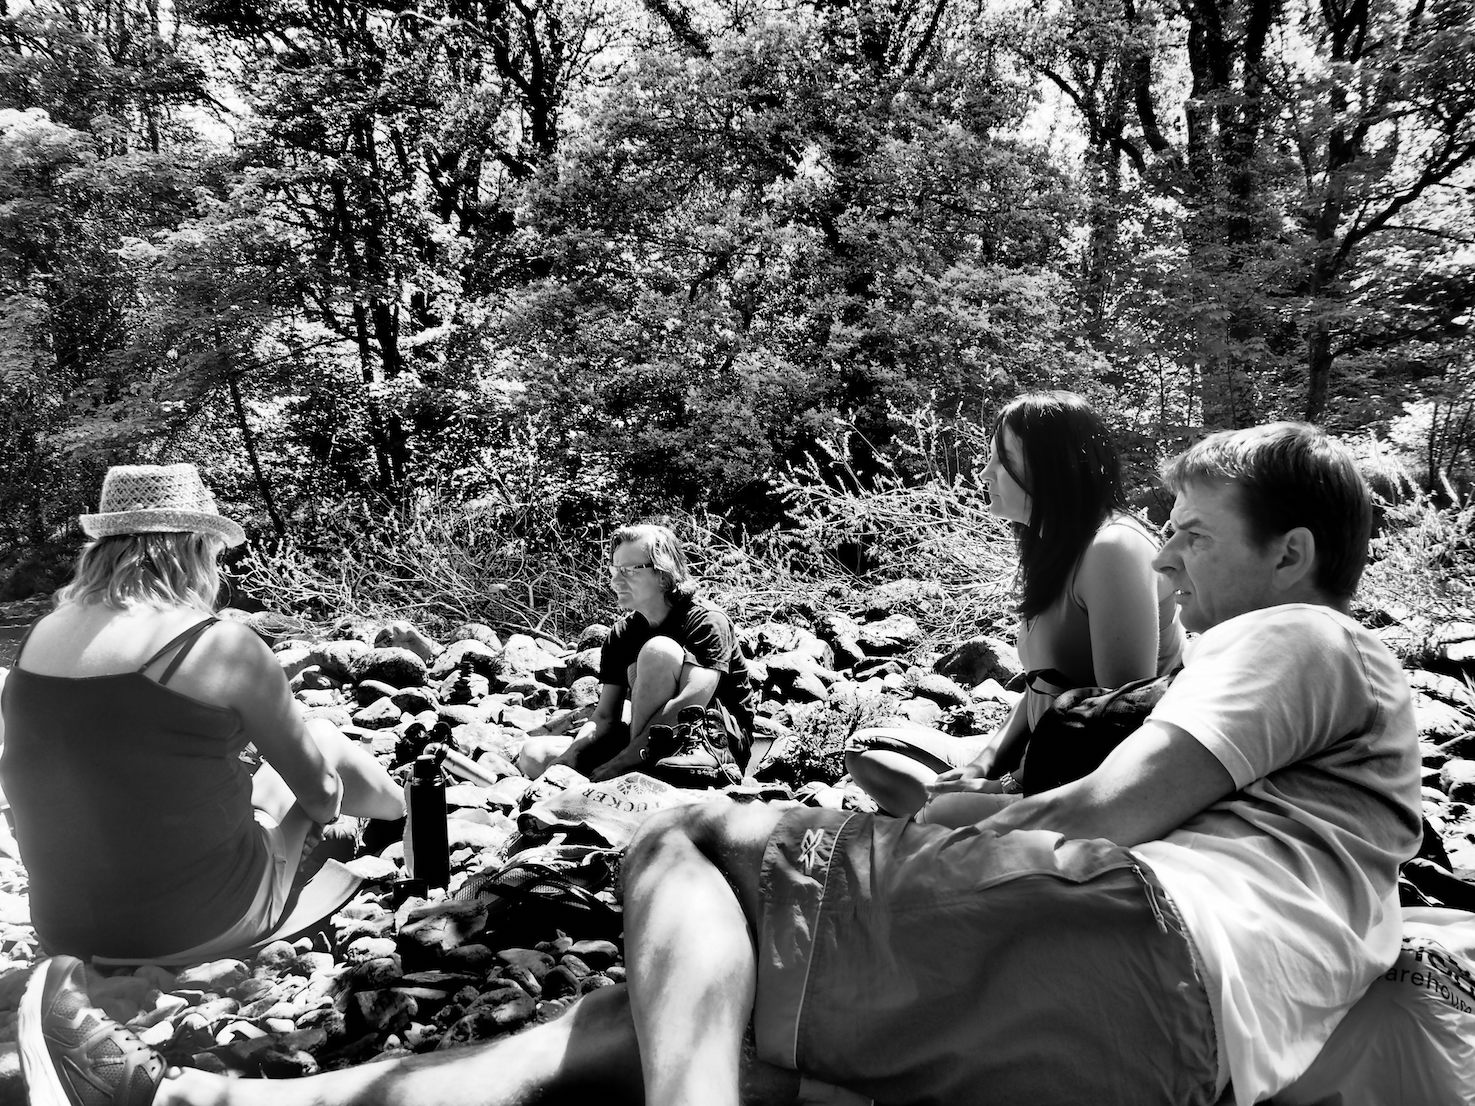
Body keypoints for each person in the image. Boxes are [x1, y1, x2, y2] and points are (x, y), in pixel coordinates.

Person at [20, 423, 1422, 1106]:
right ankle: (212, 1102)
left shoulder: (1297, 631)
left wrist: (935, 822)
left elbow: (1104, 816)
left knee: (682, 840)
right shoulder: (1339, 739)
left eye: (1191, 526)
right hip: (1170, 1046)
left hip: (1134, 953)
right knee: (670, 1008)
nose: (1162, 546)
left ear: (1290, 553)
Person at [0, 464, 405, 964]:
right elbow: (320, 794)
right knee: (321, 740)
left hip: (67, 933)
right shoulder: (219, 646)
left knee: (247, 781)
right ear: (194, 548)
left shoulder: (37, 638)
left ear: (101, 551)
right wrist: (317, 818)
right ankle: (407, 816)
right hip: (201, 926)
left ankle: (401, 814)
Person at [847, 391, 1184, 821]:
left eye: (1001, 460)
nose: (985, 472)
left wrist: (1006, 785)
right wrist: (982, 763)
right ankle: (957, 823)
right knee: (865, 754)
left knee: (937, 811)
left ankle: (956, 826)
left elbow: (1114, 724)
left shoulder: (1113, 549)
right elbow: (1038, 689)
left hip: (1074, 779)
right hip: (1032, 755)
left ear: (1053, 468)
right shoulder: (1052, 547)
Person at [519, 523, 756, 786]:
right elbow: (605, 717)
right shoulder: (621, 634)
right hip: (648, 739)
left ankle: (633, 773)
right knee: (534, 755)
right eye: (614, 570)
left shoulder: (707, 622)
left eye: (629, 571)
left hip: (706, 743)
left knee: (658, 651)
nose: (615, 580)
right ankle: (633, 776)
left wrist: (623, 760)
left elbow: (692, 702)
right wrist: (569, 758)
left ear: (664, 574)